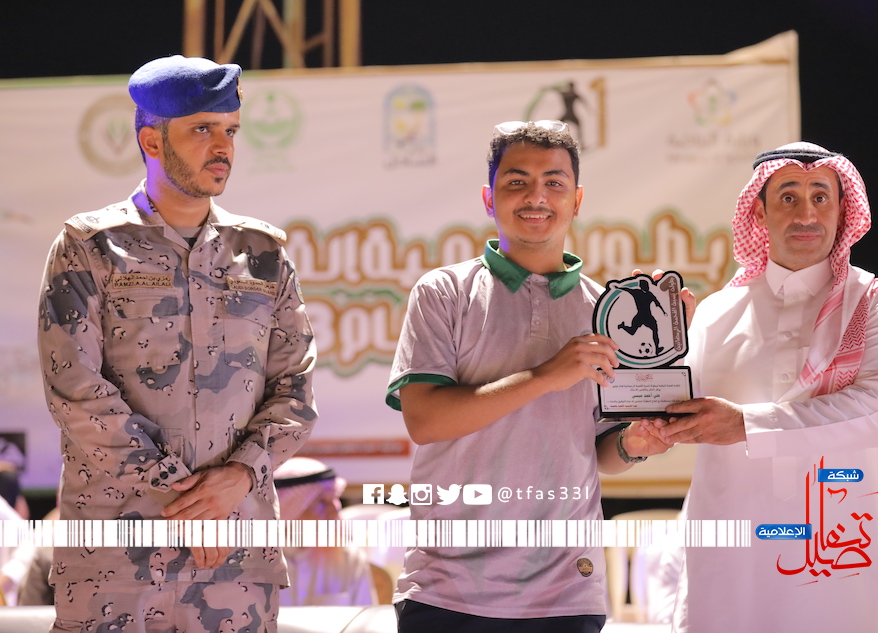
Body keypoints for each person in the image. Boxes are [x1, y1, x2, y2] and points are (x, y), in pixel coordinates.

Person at [37, 55, 317, 632]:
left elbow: (295, 390)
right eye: (202, 129)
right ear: (152, 140)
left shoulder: (262, 254)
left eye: (230, 130)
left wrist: (238, 478)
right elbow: (76, 390)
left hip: (233, 560)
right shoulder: (90, 247)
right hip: (116, 560)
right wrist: (189, 498)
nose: (222, 146)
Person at [385, 119, 673, 632]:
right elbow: (425, 421)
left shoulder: (608, 311)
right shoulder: (444, 292)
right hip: (449, 588)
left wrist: (635, 444)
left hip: (567, 592)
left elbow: (603, 453)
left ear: (577, 200)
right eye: (517, 181)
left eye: (554, 183)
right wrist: (544, 376)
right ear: (488, 199)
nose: (536, 196)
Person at [645, 142, 878, 632]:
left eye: (821, 197)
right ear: (759, 211)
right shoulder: (715, 312)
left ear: (842, 211)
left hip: (834, 547)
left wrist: (746, 424)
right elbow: (673, 408)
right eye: (788, 197)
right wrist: (655, 345)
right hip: (731, 548)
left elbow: (875, 411)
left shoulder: (874, 304)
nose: (806, 214)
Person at [274, 456, 376, 606]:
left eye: (333, 499)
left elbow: (365, 617)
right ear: (288, 508)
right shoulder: (252, 561)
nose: (333, 510)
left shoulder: (348, 558)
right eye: (320, 503)